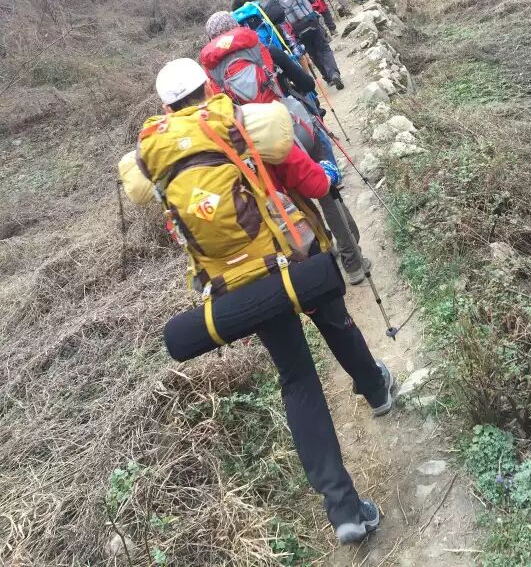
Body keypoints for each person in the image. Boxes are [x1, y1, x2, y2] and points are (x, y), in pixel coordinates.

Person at [139, 58, 394, 545]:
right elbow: (309, 179)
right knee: (336, 325)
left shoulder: (155, 155)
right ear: (209, 87)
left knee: (296, 376)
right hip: (293, 258)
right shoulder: (246, 124)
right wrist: (327, 179)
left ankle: (343, 510)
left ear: (166, 108)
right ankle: (377, 390)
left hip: (238, 285)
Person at [201, 11, 374, 286]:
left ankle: (324, 258)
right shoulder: (264, 51)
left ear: (211, 40)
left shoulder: (212, 81)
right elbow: (306, 83)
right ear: (237, 29)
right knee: (326, 191)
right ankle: (353, 262)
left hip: (259, 151)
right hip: (295, 131)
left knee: (297, 204)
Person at [271, 0, 344, 89]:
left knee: (312, 53)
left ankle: (327, 78)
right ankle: (334, 74)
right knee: (324, 48)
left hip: (296, 28)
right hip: (310, 20)